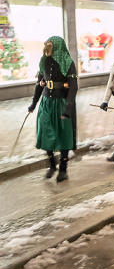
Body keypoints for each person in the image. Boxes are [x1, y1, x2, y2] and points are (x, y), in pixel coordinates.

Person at [27, 36, 78, 182]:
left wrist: (68, 107)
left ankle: (63, 169)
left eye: (49, 46)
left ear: (57, 46)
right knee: (45, 132)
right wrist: (34, 103)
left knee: (63, 136)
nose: (46, 48)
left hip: (61, 102)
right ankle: (51, 164)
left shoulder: (68, 62)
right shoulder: (43, 61)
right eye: (46, 45)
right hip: (46, 103)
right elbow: (39, 84)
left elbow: (73, 87)